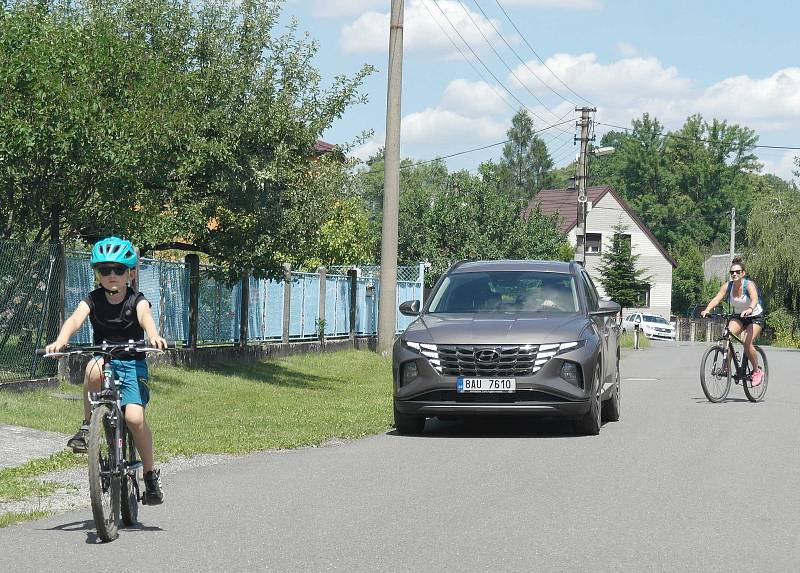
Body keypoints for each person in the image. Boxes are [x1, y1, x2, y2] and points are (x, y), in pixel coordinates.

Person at [45, 237, 167, 505]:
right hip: (105, 360)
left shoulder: (137, 299)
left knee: (134, 419)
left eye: (119, 269)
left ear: (130, 273)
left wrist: (153, 334)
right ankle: (88, 425)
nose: (112, 275)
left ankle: (149, 475)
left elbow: (145, 317)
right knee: (91, 368)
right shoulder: (93, 299)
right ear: (97, 274)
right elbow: (76, 318)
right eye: (105, 270)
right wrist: (61, 340)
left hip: (133, 363)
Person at [700, 256, 765, 386]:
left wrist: (750, 309)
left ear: (743, 273)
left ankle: (757, 371)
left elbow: (754, 299)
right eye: (732, 272)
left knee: (747, 342)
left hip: (754, 316)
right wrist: (707, 309)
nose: (734, 274)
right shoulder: (727, 286)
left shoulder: (749, 285)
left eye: (737, 272)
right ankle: (727, 364)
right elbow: (717, 298)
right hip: (739, 316)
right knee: (726, 336)